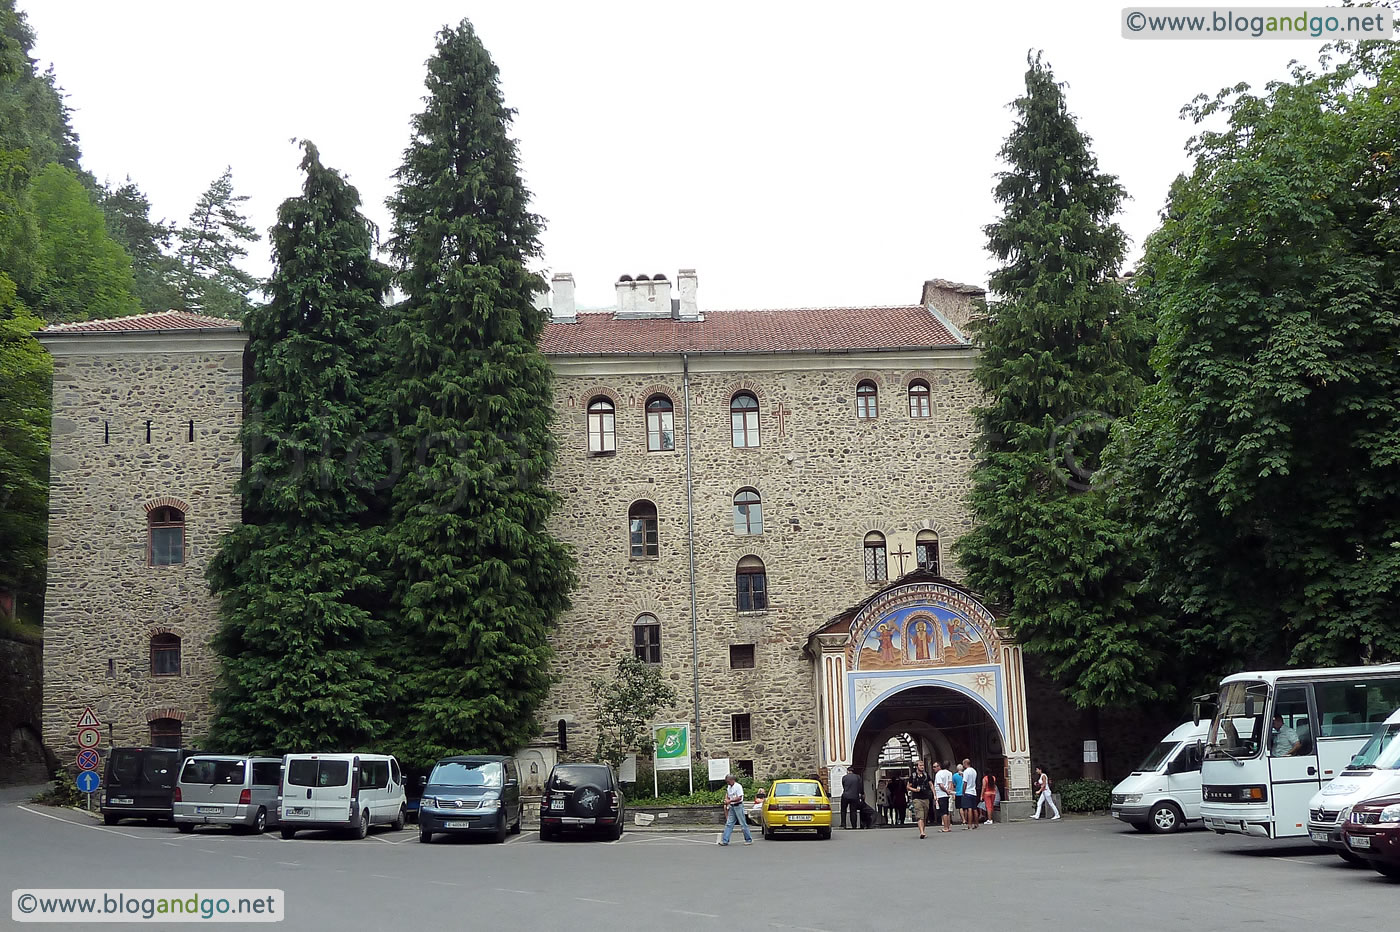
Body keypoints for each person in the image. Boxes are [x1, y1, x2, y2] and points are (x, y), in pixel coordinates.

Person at [718, 774, 754, 845]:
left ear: (732, 780)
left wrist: (730, 801)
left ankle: (749, 840)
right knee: (729, 824)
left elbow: (739, 798)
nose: (727, 783)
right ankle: (725, 841)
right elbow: (728, 795)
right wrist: (726, 799)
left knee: (743, 823)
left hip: (738, 806)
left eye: (728, 781)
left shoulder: (738, 786)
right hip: (732, 807)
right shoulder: (729, 787)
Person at [907, 761, 933, 839]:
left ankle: (923, 830)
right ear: (917, 766)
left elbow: (931, 784)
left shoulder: (926, 775)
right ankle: (921, 832)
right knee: (920, 816)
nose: (922, 767)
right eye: (920, 765)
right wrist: (915, 790)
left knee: (924, 816)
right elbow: (908, 787)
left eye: (923, 765)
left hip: (926, 797)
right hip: (917, 798)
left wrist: (934, 794)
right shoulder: (913, 776)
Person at [933, 761, 954, 833]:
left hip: (941, 794)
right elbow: (950, 783)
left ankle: (945, 827)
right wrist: (949, 791)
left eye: (935, 767)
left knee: (943, 812)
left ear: (940, 766)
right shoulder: (950, 773)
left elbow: (941, 785)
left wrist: (945, 791)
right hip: (947, 794)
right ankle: (948, 826)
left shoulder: (938, 774)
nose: (934, 769)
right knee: (947, 811)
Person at [961, 759, 979, 829]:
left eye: (963, 763)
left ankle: (970, 824)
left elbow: (965, 782)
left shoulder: (966, 772)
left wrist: (963, 791)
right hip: (973, 791)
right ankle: (976, 823)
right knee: (975, 808)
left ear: (965, 763)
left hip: (968, 791)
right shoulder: (974, 771)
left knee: (969, 808)